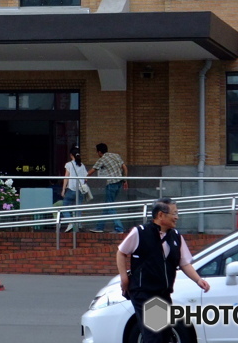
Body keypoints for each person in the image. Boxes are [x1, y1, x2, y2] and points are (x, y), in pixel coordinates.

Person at [117, 198, 211, 343]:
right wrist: (124, 279)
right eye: (174, 213)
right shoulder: (140, 232)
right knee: (154, 335)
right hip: (144, 293)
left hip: (163, 293)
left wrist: (198, 280)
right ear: (161, 215)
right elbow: (121, 252)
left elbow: (184, 263)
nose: (177, 217)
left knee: (164, 334)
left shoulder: (176, 236)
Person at [86, 142, 128, 233]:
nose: (97, 154)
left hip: (111, 183)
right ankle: (99, 227)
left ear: (99, 152)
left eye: (97, 152)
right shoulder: (116, 155)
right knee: (107, 205)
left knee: (110, 206)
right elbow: (125, 168)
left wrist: (84, 178)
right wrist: (125, 180)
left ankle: (119, 228)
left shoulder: (102, 159)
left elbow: (92, 170)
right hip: (119, 182)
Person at [61, 146, 87, 232]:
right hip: (80, 189)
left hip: (71, 189)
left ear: (71, 155)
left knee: (65, 206)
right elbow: (86, 178)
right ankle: (78, 225)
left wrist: (63, 189)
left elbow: (66, 177)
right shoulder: (82, 165)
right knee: (78, 208)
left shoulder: (69, 164)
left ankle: (70, 222)